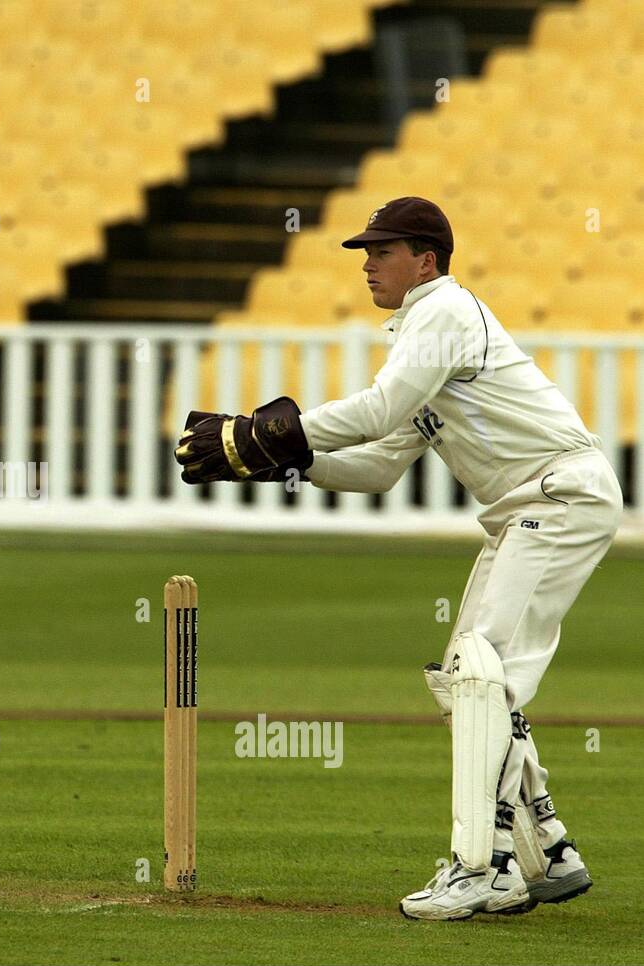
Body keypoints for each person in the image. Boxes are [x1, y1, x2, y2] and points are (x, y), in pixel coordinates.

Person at [174, 196, 623, 920]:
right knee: (465, 681)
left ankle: (479, 867)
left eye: (381, 252)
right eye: (363, 253)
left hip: (559, 495)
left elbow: (379, 410)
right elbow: (381, 462)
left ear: (426, 259)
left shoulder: (443, 312)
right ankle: (543, 849)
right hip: (528, 508)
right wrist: (269, 463)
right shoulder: (424, 332)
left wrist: (259, 432)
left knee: (482, 676)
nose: (367, 266)